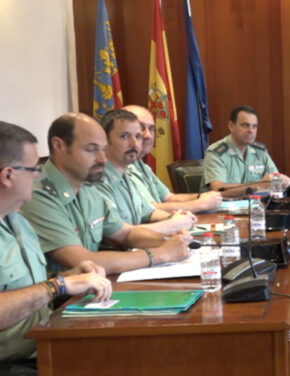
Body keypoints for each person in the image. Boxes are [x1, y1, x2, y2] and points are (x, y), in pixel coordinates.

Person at [0, 121, 112, 376]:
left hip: (36, 350)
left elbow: (32, 289)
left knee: (123, 375)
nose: (39, 175)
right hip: (5, 369)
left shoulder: (17, 220)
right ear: (8, 175)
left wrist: (74, 275)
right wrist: (57, 286)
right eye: (33, 168)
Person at [19, 113, 191, 275]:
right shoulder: (37, 194)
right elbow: (83, 260)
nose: (102, 159)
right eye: (91, 149)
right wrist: (160, 254)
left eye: (103, 149)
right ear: (59, 146)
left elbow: (126, 233)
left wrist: (168, 241)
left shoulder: (88, 188)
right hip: (62, 294)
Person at [94, 109, 197, 234]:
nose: (134, 144)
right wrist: (172, 224)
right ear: (105, 140)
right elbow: (120, 234)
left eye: (137, 137)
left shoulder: (129, 175)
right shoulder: (97, 181)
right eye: (124, 136)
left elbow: (149, 212)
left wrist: (175, 216)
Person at [123, 105, 223, 212]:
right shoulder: (123, 168)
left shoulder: (142, 166)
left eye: (151, 129)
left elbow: (169, 198)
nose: (148, 135)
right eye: (141, 128)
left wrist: (204, 196)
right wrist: (201, 204)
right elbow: (150, 209)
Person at [202, 105, 290, 193]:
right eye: (245, 125)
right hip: (223, 202)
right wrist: (257, 185)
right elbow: (218, 189)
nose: (251, 130)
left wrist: (282, 181)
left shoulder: (260, 150)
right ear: (231, 126)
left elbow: (274, 178)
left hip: (256, 202)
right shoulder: (216, 153)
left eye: (254, 126)